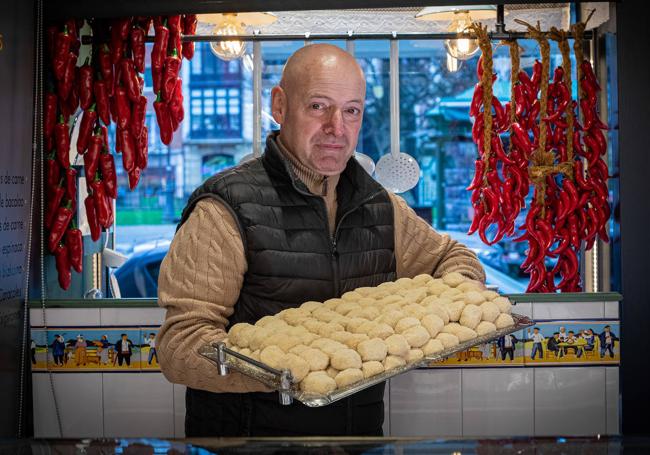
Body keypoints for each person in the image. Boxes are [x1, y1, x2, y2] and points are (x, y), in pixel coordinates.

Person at [157, 43, 485, 438]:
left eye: (351, 110)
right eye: (318, 106)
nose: (337, 127)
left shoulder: (379, 205)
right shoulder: (225, 209)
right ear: (279, 107)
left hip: (354, 442)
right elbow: (181, 346)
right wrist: (293, 369)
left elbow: (454, 259)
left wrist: (448, 304)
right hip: (248, 444)